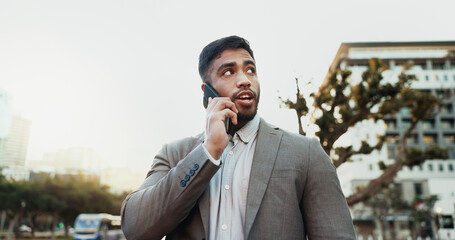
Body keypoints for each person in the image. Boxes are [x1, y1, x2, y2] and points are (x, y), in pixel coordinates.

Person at [121, 35, 356, 240]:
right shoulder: (174, 154)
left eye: (250, 69)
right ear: (207, 92)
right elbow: (136, 229)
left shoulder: (306, 153)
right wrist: (208, 152)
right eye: (228, 71)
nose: (244, 79)